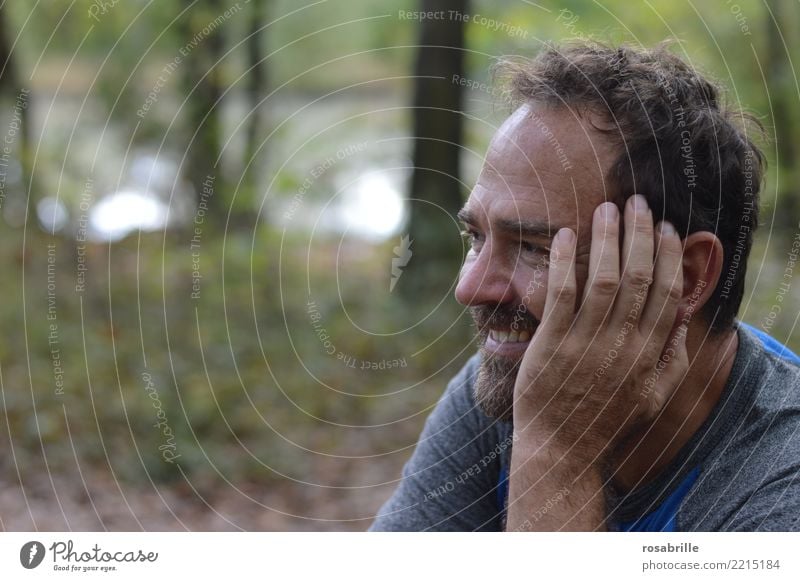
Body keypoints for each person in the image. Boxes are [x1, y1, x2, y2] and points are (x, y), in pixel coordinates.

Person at [369, 41, 800, 531]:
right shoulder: (512, 383)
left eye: (534, 246)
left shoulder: (783, 484)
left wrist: (558, 451)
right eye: (476, 236)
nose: (471, 288)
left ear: (685, 277)